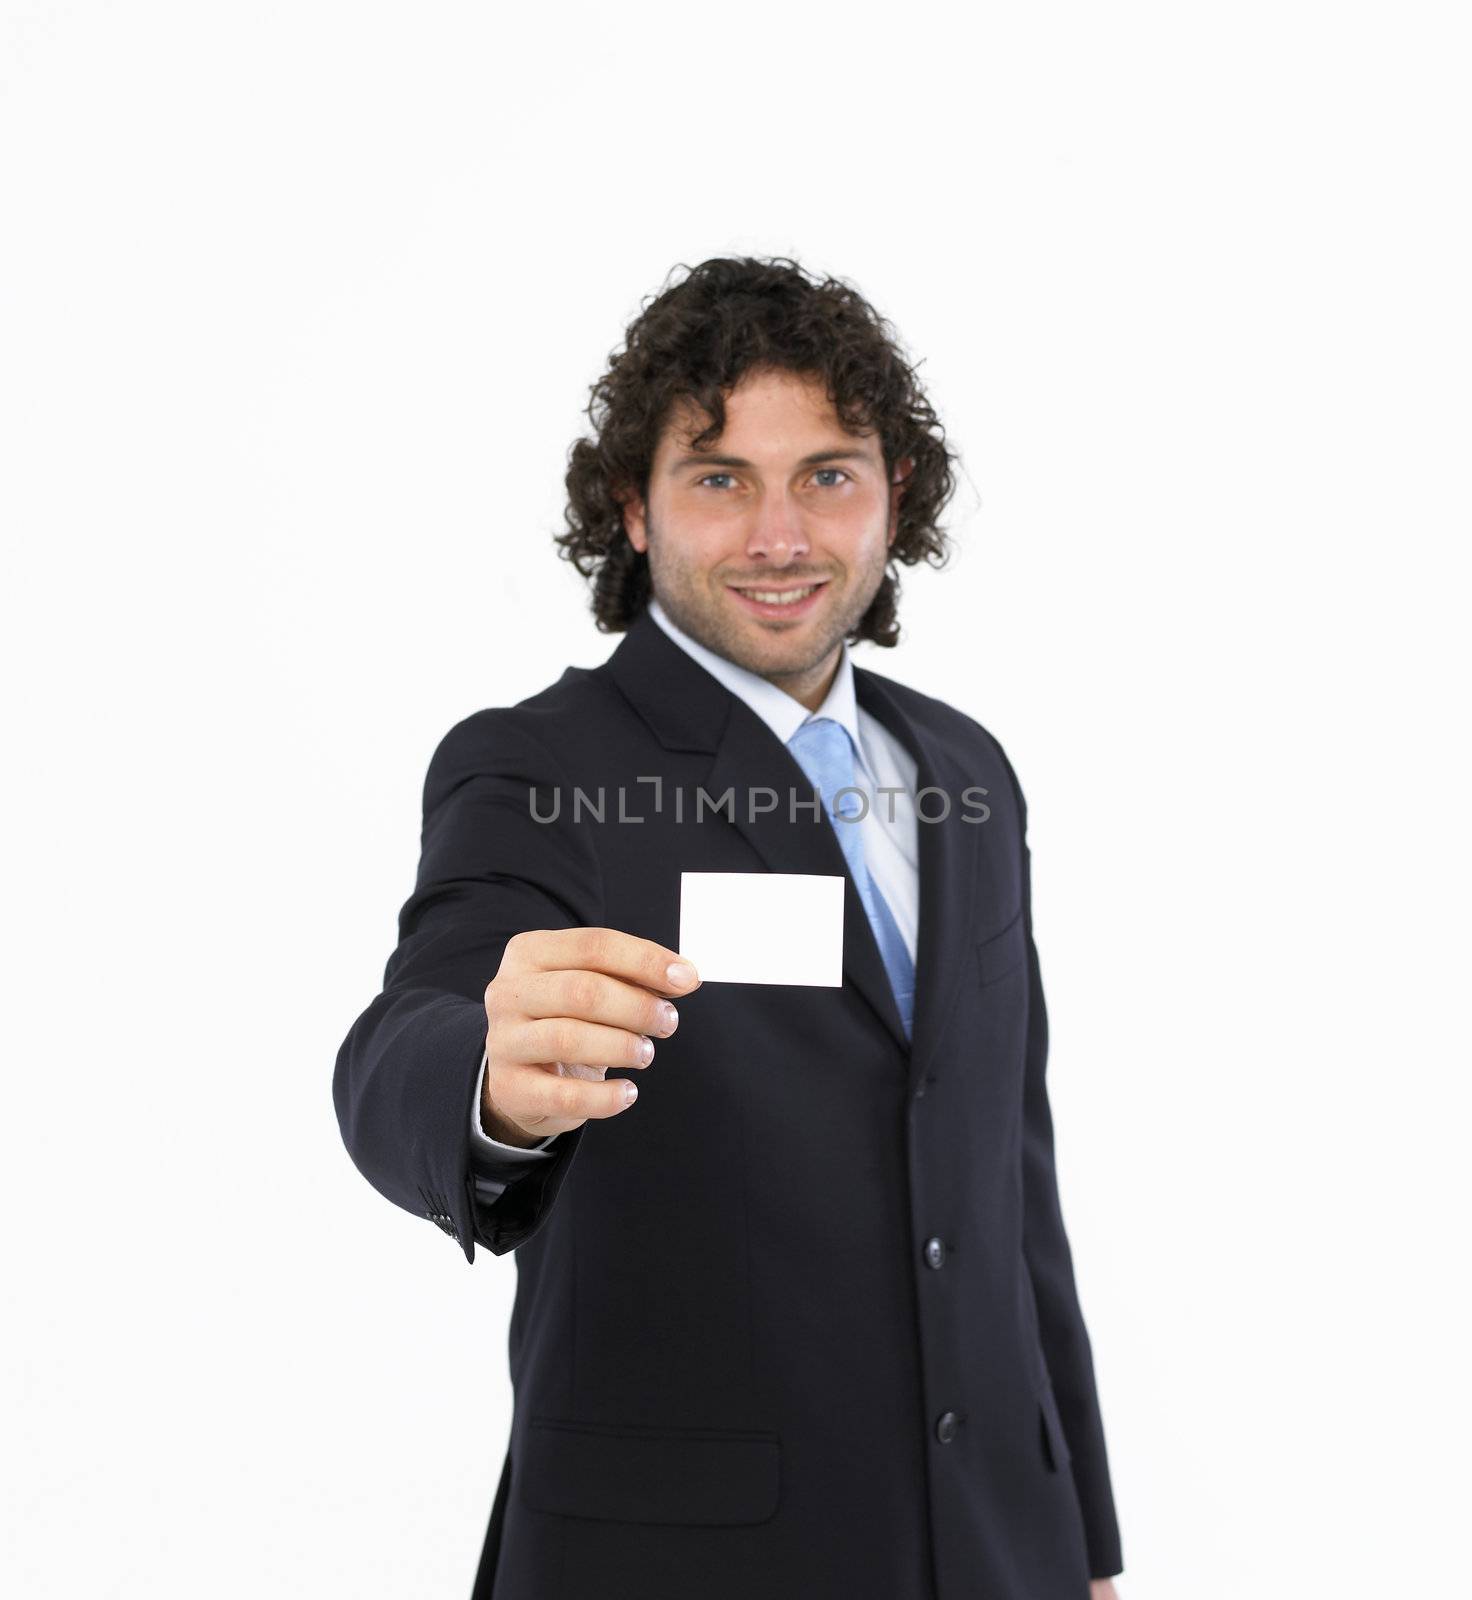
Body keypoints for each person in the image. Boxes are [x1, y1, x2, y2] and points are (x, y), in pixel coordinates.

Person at [333, 256, 1125, 1600]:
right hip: (684, 1558)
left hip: (1000, 1549)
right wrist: (486, 1079)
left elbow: (1010, 1181)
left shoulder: (966, 773)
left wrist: (1083, 1539)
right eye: (718, 477)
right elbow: (407, 1037)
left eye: (828, 472)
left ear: (896, 499)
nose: (781, 534)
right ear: (633, 509)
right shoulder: (538, 768)